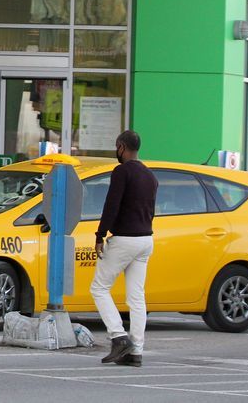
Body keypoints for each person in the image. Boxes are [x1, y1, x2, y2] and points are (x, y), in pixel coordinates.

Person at [90, 130, 158, 368]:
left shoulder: (122, 172)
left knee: (99, 288)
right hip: (145, 240)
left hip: (124, 239)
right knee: (136, 297)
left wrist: (100, 235)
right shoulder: (150, 176)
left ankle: (118, 338)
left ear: (121, 147)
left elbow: (112, 205)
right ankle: (136, 351)